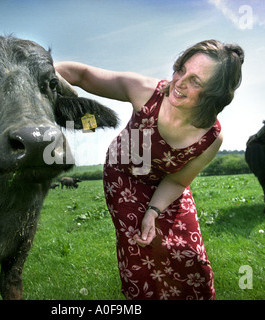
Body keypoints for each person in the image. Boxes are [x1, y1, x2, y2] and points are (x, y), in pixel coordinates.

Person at [55, 39, 244, 300]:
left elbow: (178, 181)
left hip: (167, 183)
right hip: (124, 179)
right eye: (180, 70)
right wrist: (42, 71)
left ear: (216, 93)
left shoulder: (211, 139)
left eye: (196, 81)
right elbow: (82, 75)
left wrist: (153, 211)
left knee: (189, 252)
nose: (179, 82)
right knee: (141, 248)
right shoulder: (146, 92)